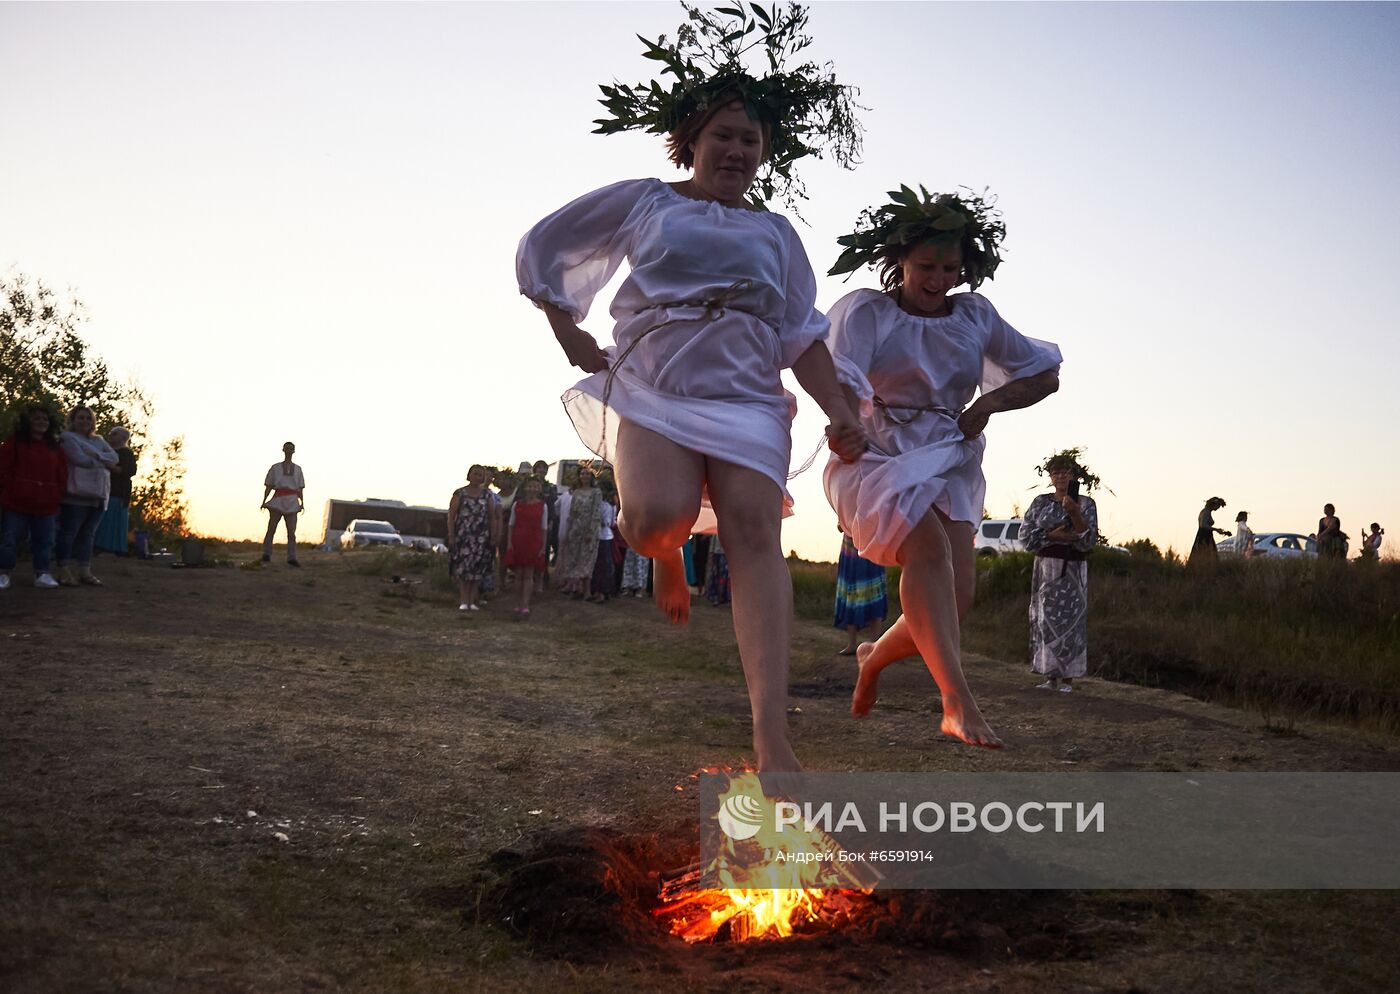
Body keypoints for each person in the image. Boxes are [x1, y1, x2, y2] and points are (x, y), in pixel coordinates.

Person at [516, 7, 866, 772]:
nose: (737, 150)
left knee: (752, 531)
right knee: (656, 517)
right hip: (655, 381)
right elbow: (549, 243)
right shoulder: (650, 201)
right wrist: (566, 329)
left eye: (750, 140)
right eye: (723, 136)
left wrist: (839, 407)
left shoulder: (776, 235)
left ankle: (771, 730)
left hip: (745, 393)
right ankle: (666, 556)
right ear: (692, 140)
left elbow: (802, 334)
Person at [823, 186, 1062, 748]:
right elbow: (837, 375)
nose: (937, 279)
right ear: (900, 261)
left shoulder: (974, 316)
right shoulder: (868, 311)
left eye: (950, 268)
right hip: (876, 455)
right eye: (926, 266)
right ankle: (956, 701)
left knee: (954, 601)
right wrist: (843, 419)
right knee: (925, 553)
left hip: (950, 453)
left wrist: (988, 403)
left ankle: (872, 659)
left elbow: (1044, 374)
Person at [1023, 450, 1100, 692]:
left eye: (1065, 471)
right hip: (1046, 568)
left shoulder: (1086, 503)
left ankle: (1068, 679)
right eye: (1056, 472)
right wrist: (1049, 535)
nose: (1060, 476)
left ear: (1075, 475)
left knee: (1071, 622)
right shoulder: (1040, 502)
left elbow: (1088, 541)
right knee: (1045, 621)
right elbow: (1026, 536)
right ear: (1050, 476)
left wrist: (1075, 513)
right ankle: (1050, 677)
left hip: (1074, 569)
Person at [0, 405, 68, 590]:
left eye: (45, 419)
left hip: (46, 504)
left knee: (45, 540)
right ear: (28, 421)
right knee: (9, 539)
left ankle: (42, 573)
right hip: (16, 502)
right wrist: (14, 488)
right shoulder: (15, 443)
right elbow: (4, 468)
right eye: (37, 418)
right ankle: (3, 573)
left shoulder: (55, 448)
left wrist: (57, 493)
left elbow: (62, 473)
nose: (41, 422)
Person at [57, 406, 119, 586]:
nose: (84, 421)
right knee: (69, 533)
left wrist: (94, 455)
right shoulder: (67, 438)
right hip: (76, 494)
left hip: (98, 495)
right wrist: (102, 460)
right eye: (80, 418)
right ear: (73, 420)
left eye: (88, 418)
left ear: (93, 421)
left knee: (88, 534)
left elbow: (114, 458)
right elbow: (79, 459)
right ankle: (63, 569)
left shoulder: (99, 440)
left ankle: (84, 571)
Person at [448, 465, 498, 611]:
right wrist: (451, 535)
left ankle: (472, 600)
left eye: (480, 474)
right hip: (463, 536)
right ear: (469, 475)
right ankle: (463, 600)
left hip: (481, 537)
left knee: (478, 569)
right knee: (463, 569)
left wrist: (493, 534)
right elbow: (451, 516)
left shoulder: (487, 495)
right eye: (475, 474)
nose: (478, 477)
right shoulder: (459, 493)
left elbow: (492, 516)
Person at [833, 530, 887, 655]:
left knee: (874, 593)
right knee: (851, 594)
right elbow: (841, 525)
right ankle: (852, 644)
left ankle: (874, 644)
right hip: (852, 548)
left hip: (872, 545)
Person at [504, 475, 549, 617]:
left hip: (534, 541)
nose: (532, 489)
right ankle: (517, 603)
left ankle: (525, 604)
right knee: (518, 574)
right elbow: (511, 525)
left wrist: (542, 546)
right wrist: (510, 543)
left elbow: (544, 528)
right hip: (518, 539)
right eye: (530, 486)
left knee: (529, 575)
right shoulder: (517, 504)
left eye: (535, 486)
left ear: (539, 489)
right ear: (525, 488)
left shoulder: (543, 506)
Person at [556, 465, 603, 598]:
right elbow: (572, 513)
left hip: (589, 531)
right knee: (574, 559)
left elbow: (596, 513)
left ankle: (587, 591)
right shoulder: (576, 492)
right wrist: (569, 530)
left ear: (592, 476)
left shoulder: (596, 492)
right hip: (576, 529)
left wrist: (590, 531)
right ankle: (576, 588)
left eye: (587, 474)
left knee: (587, 560)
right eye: (582, 473)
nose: (585, 476)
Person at [94, 426, 138, 555]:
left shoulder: (126, 453)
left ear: (123, 438)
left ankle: (113, 547)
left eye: (115, 434)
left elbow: (130, 471)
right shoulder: (106, 451)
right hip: (103, 490)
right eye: (111, 433)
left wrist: (112, 467)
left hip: (118, 492)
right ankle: (99, 545)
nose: (111, 435)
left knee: (113, 519)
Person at [261, 441, 305, 566]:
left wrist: (302, 503)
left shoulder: (298, 469)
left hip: (292, 501)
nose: (289, 451)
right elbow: (269, 486)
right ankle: (266, 554)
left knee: (291, 532)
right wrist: (264, 501)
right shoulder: (275, 468)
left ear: (294, 451)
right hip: (278, 499)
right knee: (271, 529)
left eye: (291, 449)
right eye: (287, 449)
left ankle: (291, 557)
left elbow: (300, 489)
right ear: (283, 450)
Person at [590, 493, 618, 603]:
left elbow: (608, 522)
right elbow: (612, 522)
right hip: (605, 536)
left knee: (601, 566)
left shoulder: (604, 505)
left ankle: (601, 591)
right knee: (602, 566)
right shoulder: (611, 505)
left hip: (603, 536)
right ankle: (601, 591)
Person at [1188, 497, 1229, 568]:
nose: (1218, 508)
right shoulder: (1206, 512)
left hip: (1206, 535)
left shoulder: (1206, 511)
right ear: (1213, 504)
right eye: (1218, 506)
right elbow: (1203, 525)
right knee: (1206, 552)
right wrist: (1216, 529)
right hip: (1204, 536)